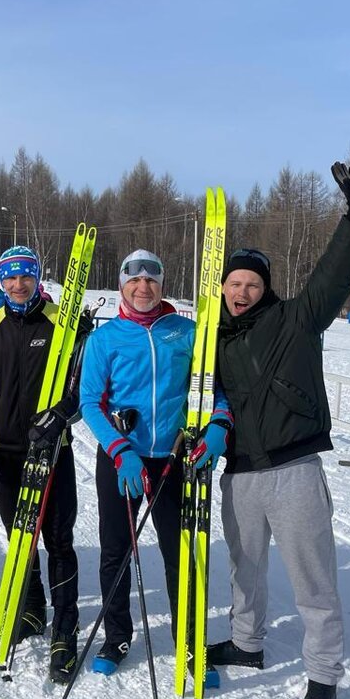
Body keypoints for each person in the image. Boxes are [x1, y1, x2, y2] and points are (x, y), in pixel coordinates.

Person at [206, 162, 350, 699]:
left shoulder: (298, 320)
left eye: (252, 283)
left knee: (313, 577)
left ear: (265, 287)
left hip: (295, 469)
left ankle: (323, 675)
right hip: (240, 473)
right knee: (243, 570)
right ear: (223, 287)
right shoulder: (213, 340)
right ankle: (247, 643)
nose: (243, 291)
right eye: (234, 283)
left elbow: (334, 274)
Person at [78, 249, 232, 675]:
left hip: (174, 457)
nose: (142, 288)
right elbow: (90, 403)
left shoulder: (186, 332)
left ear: (161, 286)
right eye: (134, 280)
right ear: (122, 285)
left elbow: (215, 388)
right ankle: (116, 638)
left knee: (179, 554)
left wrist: (220, 421)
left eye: (151, 281)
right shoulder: (105, 339)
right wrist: (120, 449)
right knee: (116, 551)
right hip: (121, 458)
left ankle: (188, 643)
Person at [0, 245, 85, 684]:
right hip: (7, 454)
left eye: (26, 276)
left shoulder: (60, 324)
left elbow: (80, 389)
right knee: (20, 539)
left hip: (52, 450)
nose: (18, 285)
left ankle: (64, 630)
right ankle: (32, 609)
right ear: (0, 280)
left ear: (37, 277)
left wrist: (59, 419)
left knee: (58, 540)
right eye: (10, 277)